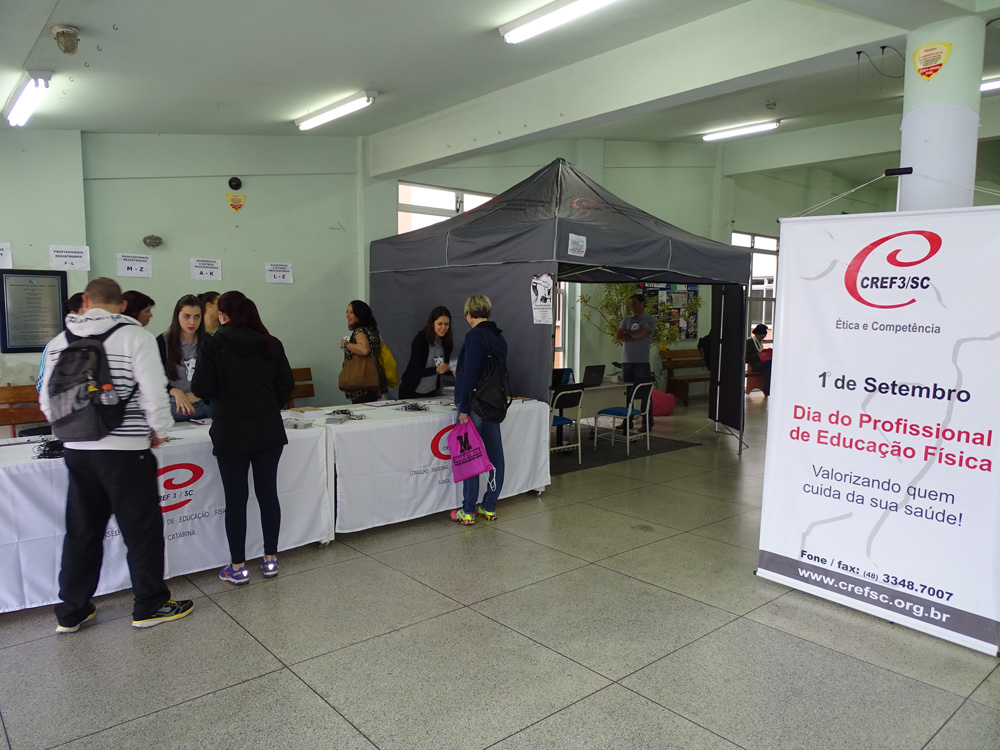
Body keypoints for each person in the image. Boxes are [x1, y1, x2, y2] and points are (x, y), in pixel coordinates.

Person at [38, 277, 193, 631]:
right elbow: (154, 393)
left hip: (77, 451)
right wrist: (159, 431)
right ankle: (150, 604)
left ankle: (73, 611)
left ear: (85, 301)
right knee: (141, 530)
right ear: (122, 305)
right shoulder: (135, 337)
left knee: (82, 531)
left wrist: (71, 432)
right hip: (126, 452)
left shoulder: (61, 341)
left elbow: (47, 399)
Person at [191, 291, 293, 585]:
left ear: (223, 315)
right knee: (268, 494)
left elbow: (202, 387)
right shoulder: (271, 343)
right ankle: (270, 560)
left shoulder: (213, 345)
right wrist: (266, 406)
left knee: (235, 500)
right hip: (268, 429)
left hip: (231, 430)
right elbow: (286, 385)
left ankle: (238, 567)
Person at [451, 294, 507, 525]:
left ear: (469, 314)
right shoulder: (499, 337)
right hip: (493, 403)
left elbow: (470, 374)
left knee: (470, 457)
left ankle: (467, 510)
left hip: (473, 405)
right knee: (496, 458)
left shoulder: (473, 336)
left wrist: (463, 407)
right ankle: (489, 506)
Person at [156, 294, 211, 421]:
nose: (192, 322)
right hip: (172, 407)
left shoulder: (209, 341)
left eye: (197, 316)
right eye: (186, 316)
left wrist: (201, 393)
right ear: (177, 316)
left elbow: (219, 376)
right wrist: (174, 391)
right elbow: (154, 378)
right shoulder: (163, 342)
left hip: (203, 406)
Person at [615, 293, 657, 432]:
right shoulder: (627, 319)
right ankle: (627, 421)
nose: (632, 306)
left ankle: (647, 423)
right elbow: (618, 335)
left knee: (644, 393)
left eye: (634, 303)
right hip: (626, 361)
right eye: (630, 304)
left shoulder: (650, 319)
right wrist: (633, 334)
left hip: (641, 362)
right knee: (627, 393)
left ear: (642, 303)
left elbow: (641, 334)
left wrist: (628, 334)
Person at [399, 306, 453, 399]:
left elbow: (443, 369)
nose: (443, 328)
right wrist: (437, 369)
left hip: (431, 391)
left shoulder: (447, 343)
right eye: (440, 324)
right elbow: (416, 370)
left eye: (447, 324)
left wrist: (452, 369)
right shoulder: (420, 340)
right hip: (411, 390)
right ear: (432, 324)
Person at [339, 300, 387, 404]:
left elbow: (364, 350)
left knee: (361, 410)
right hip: (374, 378)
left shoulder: (359, 331)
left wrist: (346, 344)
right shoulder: (373, 330)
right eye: (347, 311)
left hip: (361, 380)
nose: (347, 315)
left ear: (360, 314)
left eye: (351, 312)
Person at [36, 293, 85, 393]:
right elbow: (41, 385)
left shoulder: (98, 341)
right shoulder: (56, 344)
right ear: (73, 314)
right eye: (88, 313)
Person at [746, 323, 772, 396]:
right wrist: (758, 355)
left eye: (764, 336)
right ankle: (767, 388)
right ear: (756, 334)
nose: (762, 338)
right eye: (761, 336)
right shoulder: (749, 342)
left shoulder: (759, 341)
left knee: (771, 365)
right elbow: (746, 357)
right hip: (754, 365)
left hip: (760, 363)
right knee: (769, 366)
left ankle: (768, 388)